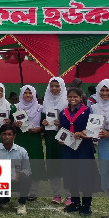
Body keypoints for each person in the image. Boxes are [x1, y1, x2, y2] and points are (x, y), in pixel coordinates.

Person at [58, 88, 98, 215]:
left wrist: (82, 133)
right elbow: (61, 129)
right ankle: (75, 203)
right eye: (70, 97)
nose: (72, 99)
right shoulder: (63, 113)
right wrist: (61, 139)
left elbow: (93, 129)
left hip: (84, 148)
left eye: (75, 97)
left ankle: (86, 205)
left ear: (81, 98)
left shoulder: (88, 111)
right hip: (69, 148)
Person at [0, 124, 32, 216]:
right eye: (4, 134)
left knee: (26, 177)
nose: (6, 137)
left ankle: (22, 203)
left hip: (16, 181)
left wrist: (20, 174)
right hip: (0, 181)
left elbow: (27, 169)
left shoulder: (22, 151)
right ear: (0, 135)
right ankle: (3, 199)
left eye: (9, 134)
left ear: (14, 136)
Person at [41, 77, 71, 205]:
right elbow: (42, 120)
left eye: (57, 86)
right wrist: (44, 123)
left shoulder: (67, 102)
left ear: (62, 87)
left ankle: (70, 196)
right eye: (52, 86)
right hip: (50, 136)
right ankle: (56, 194)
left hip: (64, 135)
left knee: (66, 163)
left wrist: (62, 122)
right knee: (53, 163)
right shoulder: (46, 101)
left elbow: (74, 120)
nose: (54, 88)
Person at [13, 85, 45, 199]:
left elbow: (45, 124)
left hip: (34, 139)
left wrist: (39, 129)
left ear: (34, 94)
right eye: (25, 93)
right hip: (20, 138)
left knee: (34, 163)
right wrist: (15, 125)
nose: (28, 95)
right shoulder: (15, 107)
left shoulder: (40, 108)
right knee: (19, 163)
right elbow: (9, 125)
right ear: (21, 94)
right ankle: (19, 189)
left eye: (30, 93)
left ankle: (34, 191)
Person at [91, 80, 109, 218]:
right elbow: (91, 126)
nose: (104, 93)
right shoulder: (95, 107)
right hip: (103, 146)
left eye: (107, 90)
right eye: (102, 90)